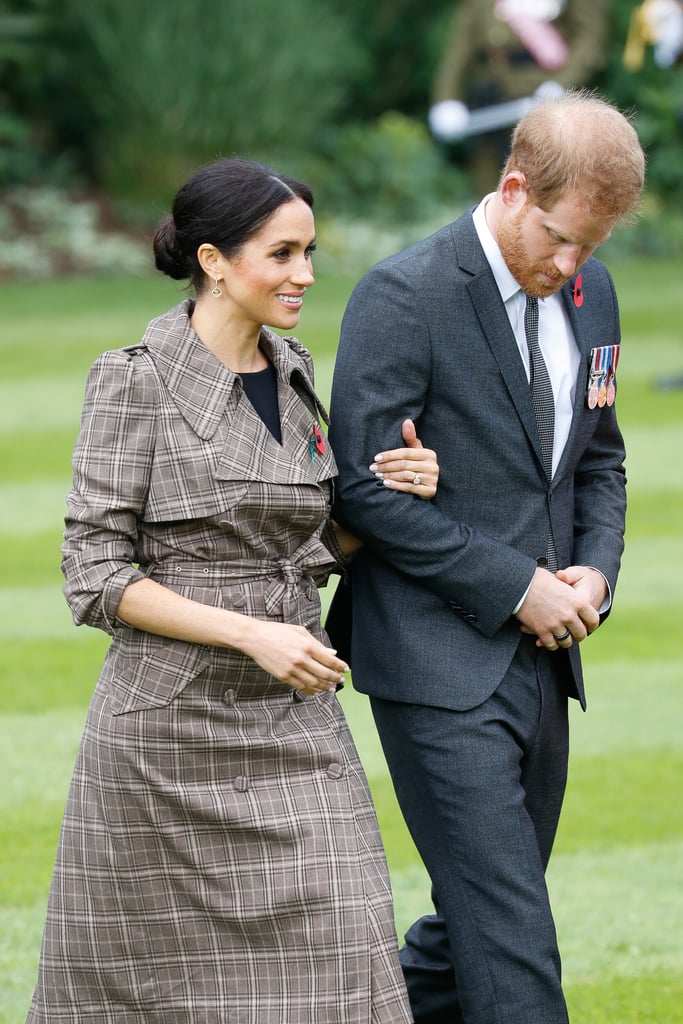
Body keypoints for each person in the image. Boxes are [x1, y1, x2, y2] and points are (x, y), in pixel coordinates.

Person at [26, 157, 441, 1023]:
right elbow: (96, 575)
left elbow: (305, 540)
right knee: (148, 989)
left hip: (294, 715)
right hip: (167, 733)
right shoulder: (132, 379)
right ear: (213, 260)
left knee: (349, 943)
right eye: (282, 254)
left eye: (310, 251)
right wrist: (250, 633)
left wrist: (389, 496)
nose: (306, 275)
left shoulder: (294, 372)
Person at [328, 91, 645, 1024]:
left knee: (468, 929)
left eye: (591, 245)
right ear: (512, 188)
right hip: (433, 660)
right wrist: (517, 587)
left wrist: (593, 568)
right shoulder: (405, 294)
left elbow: (602, 456)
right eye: (557, 238)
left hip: (543, 662)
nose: (571, 264)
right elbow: (361, 490)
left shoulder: (591, 292)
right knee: (512, 938)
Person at [429, 0, 609, 190]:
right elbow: (460, 46)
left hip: (543, 104)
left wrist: (561, 84)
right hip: (490, 99)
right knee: (489, 195)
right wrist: (446, 99)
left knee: (542, 192)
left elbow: (590, 39)